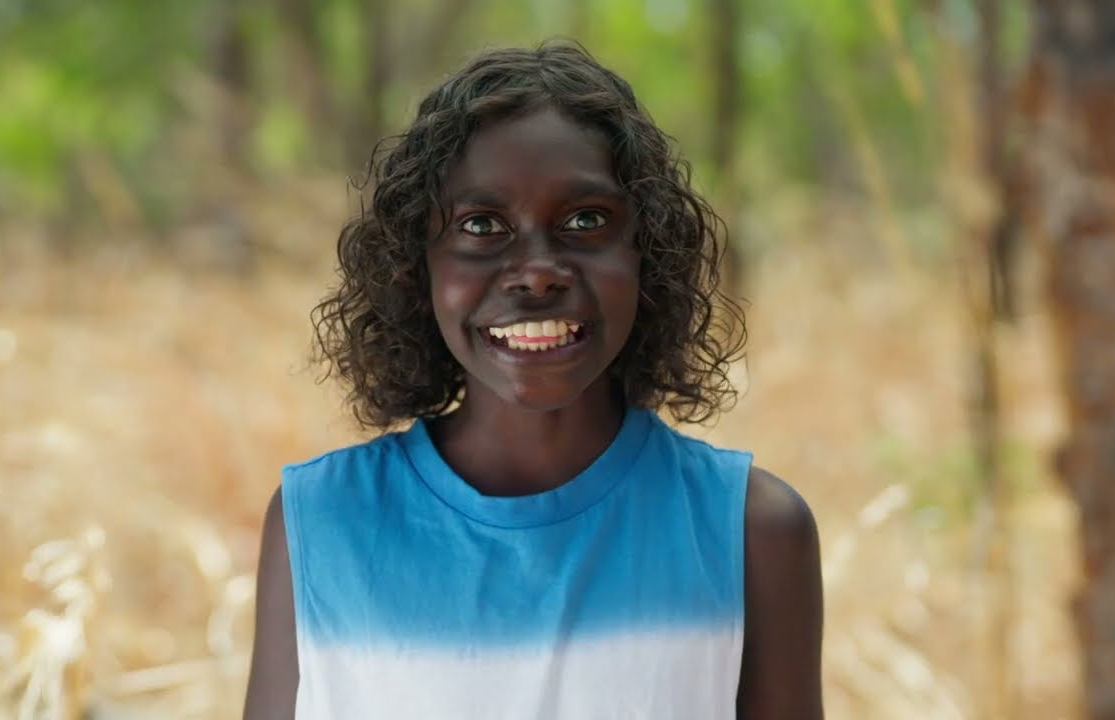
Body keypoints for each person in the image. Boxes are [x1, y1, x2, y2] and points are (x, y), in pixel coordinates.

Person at [244, 42, 823, 719]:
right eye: (481, 225)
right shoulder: (320, 523)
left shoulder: (750, 530)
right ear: (415, 266)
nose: (538, 272)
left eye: (586, 221)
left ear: (649, 254)